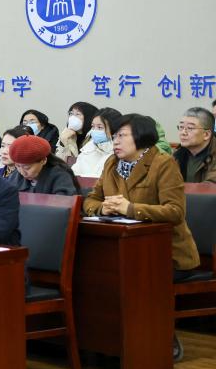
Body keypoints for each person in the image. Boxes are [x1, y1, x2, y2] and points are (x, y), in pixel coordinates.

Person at [84, 113, 200, 279]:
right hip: (124, 249)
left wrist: (130, 209)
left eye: (122, 136)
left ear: (141, 136)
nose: (115, 141)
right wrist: (102, 208)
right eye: (114, 136)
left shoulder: (163, 163)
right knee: (96, 274)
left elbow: (175, 211)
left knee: (123, 278)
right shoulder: (111, 163)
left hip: (165, 254)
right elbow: (91, 199)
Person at [9, 134, 79, 195]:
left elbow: (64, 203)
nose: (22, 172)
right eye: (18, 166)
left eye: (27, 168)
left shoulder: (60, 176)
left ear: (43, 160)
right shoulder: (15, 177)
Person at [71, 107, 121, 178]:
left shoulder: (120, 153)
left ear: (114, 130)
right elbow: (73, 172)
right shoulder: (88, 149)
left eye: (100, 127)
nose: (94, 131)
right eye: (93, 126)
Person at [173, 107, 216, 184]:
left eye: (190, 128)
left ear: (206, 134)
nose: (183, 132)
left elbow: (210, 187)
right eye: (181, 127)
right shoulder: (177, 154)